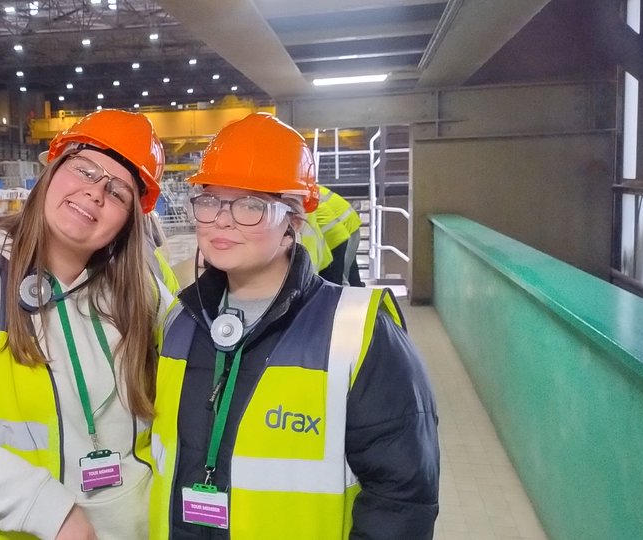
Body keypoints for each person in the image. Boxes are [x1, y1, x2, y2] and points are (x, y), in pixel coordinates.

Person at [144, 113, 439, 539]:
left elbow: (402, 498)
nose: (222, 220)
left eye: (250, 205)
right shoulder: (180, 323)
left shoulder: (359, 334)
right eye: (210, 201)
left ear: (293, 223)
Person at [0, 109, 171, 540]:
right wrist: (50, 511)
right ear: (52, 172)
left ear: (130, 220)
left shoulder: (141, 291)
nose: (95, 193)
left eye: (117, 192)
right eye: (85, 169)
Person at [312, 185, 364, 286]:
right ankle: (357, 296)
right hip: (345, 227)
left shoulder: (301, 194)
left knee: (337, 282)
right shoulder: (309, 188)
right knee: (348, 276)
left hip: (337, 236)